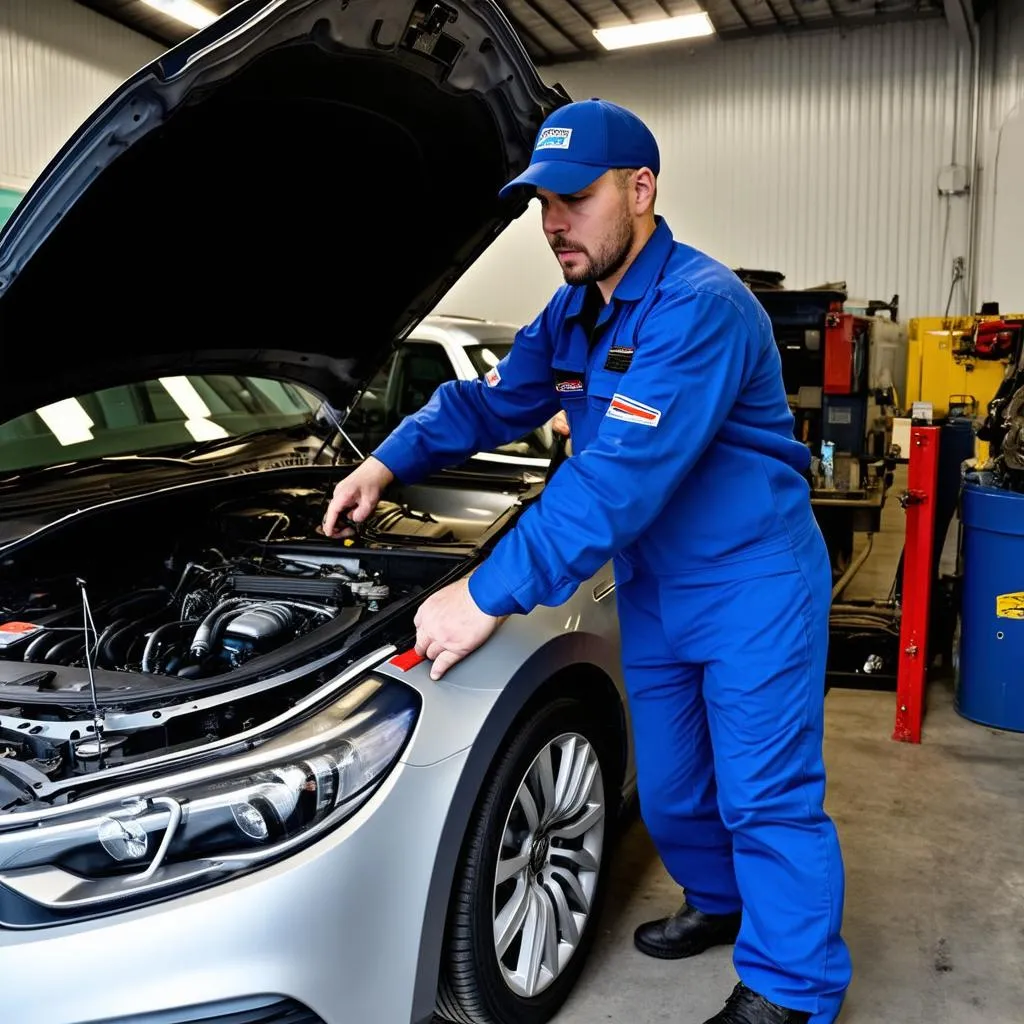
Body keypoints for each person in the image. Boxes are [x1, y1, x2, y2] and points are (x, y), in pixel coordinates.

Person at [322, 98, 851, 1024]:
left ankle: (791, 986)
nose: (552, 223)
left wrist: (485, 592)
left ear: (640, 190)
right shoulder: (572, 314)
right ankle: (721, 904)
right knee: (679, 784)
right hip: (656, 584)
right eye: (541, 204)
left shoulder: (702, 308)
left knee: (766, 791)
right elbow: (487, 403)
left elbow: (614, 479)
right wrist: (384, 459)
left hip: (752, 584)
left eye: (574, 198)